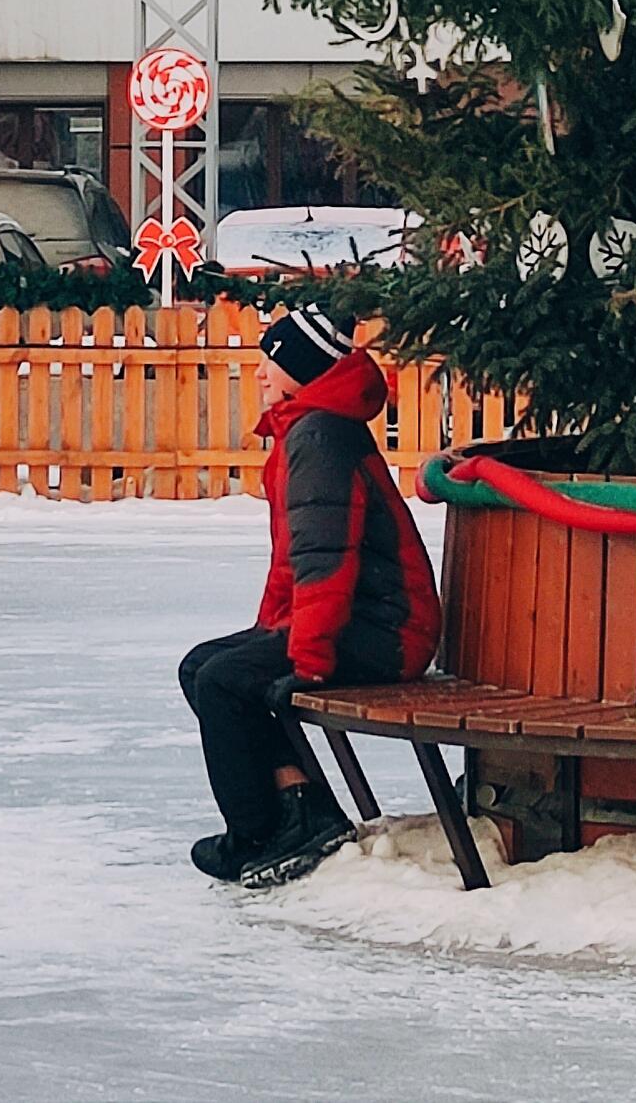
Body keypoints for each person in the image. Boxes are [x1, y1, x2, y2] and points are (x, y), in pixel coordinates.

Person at [178, 303, 442, 889]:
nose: (261, 374)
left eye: (271, 361)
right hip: (366, 621)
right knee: (205, 666)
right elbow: (294, 562)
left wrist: (309, 660)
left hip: (386, 631)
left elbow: (328, 563)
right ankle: (303, 808)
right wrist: (270, 631)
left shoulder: (320, 435)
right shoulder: (313, 427)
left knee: (223, 680)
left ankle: (258, 833)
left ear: (303, 368)